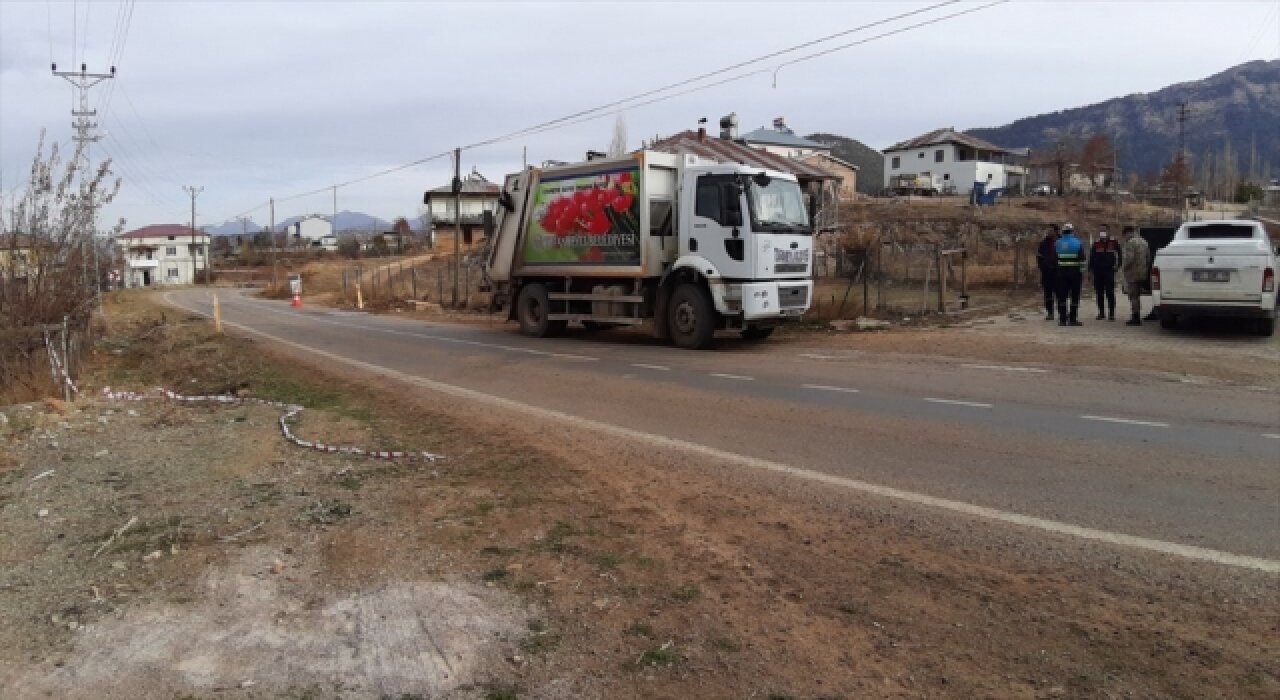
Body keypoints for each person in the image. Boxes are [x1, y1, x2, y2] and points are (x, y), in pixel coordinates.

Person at [1087, 225, 1122, 320]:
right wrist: (1090, 271)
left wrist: (1117, 266)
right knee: (1099, 293)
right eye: (1101, 230)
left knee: (1110, 292)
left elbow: (1120, 255)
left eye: (1104, 230)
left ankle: (1111, 313)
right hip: (1098, 271)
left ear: (1108, 231)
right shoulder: (1096, 243)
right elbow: (1091, 257)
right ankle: (1101, 313)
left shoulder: (1114, 242)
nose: (1102, 232)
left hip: (1109, 271)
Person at [1054, 223, 1084, 326]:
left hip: (1061, 273)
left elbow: (1055, 258)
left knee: (1062, 296)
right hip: (1075, 273)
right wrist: (1083, 272)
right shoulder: (1078, 243)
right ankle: (1072, 319)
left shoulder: (1057, 243)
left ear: (1063, 231)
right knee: (1074, 296)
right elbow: (1082, 259)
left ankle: (1062, 319)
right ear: (1072, 231)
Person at [1120, 225, 1151, 325]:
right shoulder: (1144, 241)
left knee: (1133, 295)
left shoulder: (1130, 243)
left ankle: (1136, 317)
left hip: (1132, 273)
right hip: (1143, 273)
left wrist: (1123, 268)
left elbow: (1129, 258)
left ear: (1127, 233)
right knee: (1139, 294)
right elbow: (1148, 258)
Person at [1036, 225, 1059, 320]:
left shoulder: (1062, 242)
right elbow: (1039, 257)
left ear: (1056, 231)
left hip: (1059, 272)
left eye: (1051, 230)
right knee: (1048, 293)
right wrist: (1043, 267)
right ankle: (1050, 312)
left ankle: (1062, 312)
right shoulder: (1043, 243)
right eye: (1048, 230)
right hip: (1047, 272)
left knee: (1060, 293)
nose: (1049, 232)